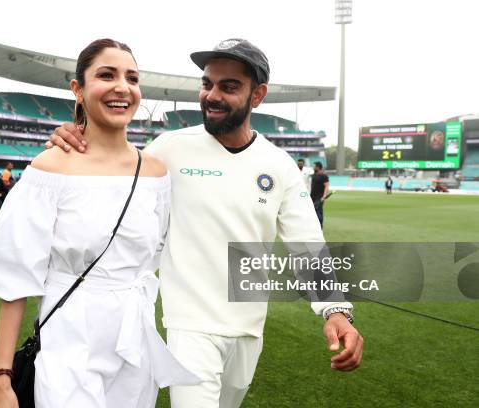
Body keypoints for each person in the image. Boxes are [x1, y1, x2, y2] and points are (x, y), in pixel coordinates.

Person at [48, 38, 363, 408]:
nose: (212, 95)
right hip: (189, 327)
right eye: (207, 84)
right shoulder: (169, 148)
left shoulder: (279, 165)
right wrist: (74, 134)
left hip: (248, 329)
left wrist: (335, 310)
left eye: (229, 87)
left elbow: (307, 244)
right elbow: (112, 171)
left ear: (257, 95)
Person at [0, 39, 199, 408]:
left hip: (134, 344)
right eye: (106, 75)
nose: (122, 87)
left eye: (132, 77)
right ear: (78, 89)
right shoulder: (49, 170)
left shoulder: (157, 173)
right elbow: (15, 276)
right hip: (69, 339)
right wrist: (1, 380)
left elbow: (157, 253)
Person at [310, 161, 329, 229]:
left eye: (314, 166)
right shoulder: (314, 175)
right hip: (312, 197)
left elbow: (326, 186)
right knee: (313, 212)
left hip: (319, 197)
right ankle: (314, 226)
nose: (313, 167)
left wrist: (324, 196)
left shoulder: (324, 176)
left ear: (317, 167)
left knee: (319, 212)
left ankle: (320, 227)